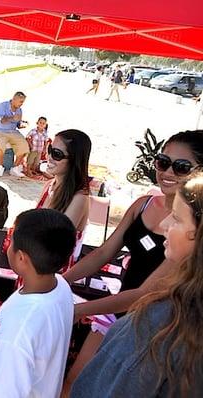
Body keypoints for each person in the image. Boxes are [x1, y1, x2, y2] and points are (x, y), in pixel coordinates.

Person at [61, 130, 203, 396]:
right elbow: (104, 252)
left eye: (181, 166)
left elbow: (143, 295)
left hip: (148, 323)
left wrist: (76, 311)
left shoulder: (189, 245)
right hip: (118, 313)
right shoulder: (143, 204)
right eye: (162, 161)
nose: (167, 171)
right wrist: (61, 280)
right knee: (75, 381)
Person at [0, 209, 76, 398]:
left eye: (11, 242)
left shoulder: (17, 333)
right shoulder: (60, 286)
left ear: (21, 258)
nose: (8, 246)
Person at [36, 129, 91, 264]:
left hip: (51, 274)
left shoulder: (80, 198)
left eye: (57, 154)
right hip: (34, 265)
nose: (48, 156)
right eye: (49, 149)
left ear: (74, 160)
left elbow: (57, 244)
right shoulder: (49, 185)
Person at [0, 92, 29, 177]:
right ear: (14, 99)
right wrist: (12, 118)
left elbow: (18, 124)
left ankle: (14, 168)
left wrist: (22, 124)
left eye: (23, 102)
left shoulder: (19, 110)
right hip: (0, 130)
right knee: (0, 145)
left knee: (24, 146)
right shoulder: (1, 106)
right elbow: (1, 121)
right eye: (20, 101)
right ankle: (0, 167)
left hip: (13, 131)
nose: (22, 104)